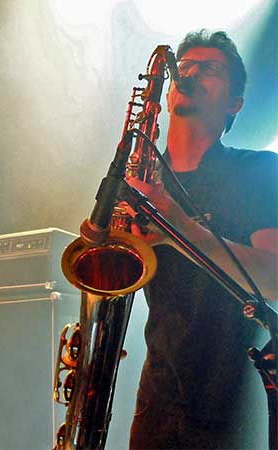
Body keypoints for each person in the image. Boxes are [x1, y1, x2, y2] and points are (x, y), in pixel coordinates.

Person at [127, 30, 277, 449]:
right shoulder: (139, 180)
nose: (192, 72)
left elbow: (273, 280)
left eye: (210, 69)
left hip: (234, 399)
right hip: (156, 400)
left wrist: (176, 227)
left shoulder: (259, 171)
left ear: (235, 104)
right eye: (186, 66)